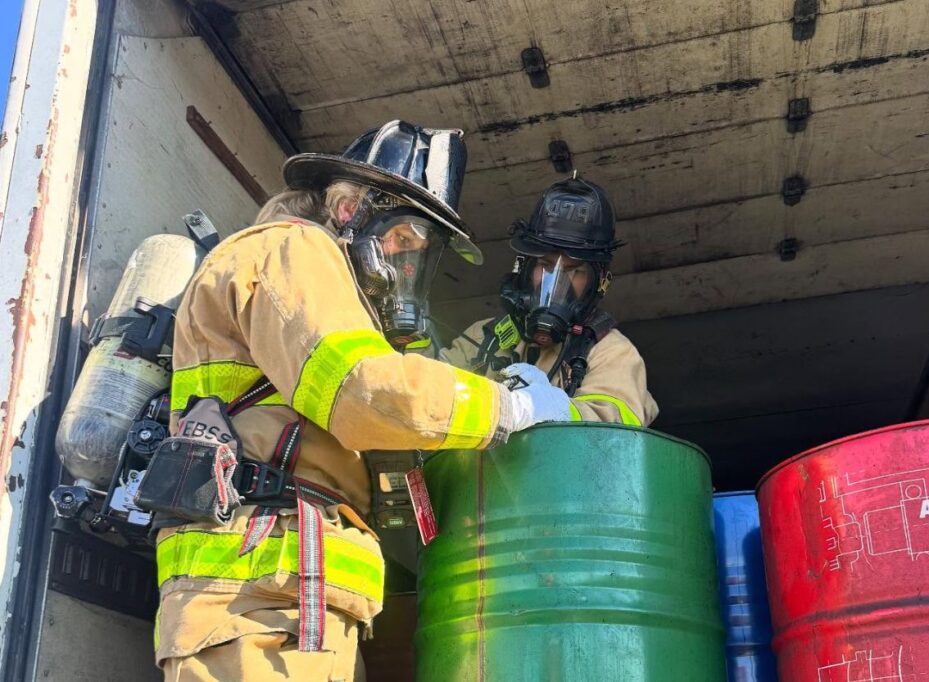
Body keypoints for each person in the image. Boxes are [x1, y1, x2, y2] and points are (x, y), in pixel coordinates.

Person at [154, 121, 570, 681]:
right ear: (351, 210)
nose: (407, 264)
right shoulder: (294, 248)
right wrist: (509, 407)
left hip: (288, 596)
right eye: (404, 239)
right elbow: (364, 391)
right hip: (256, 599)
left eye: (422, 252)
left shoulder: (321, 281)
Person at [442, 174, 658, 427]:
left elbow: (616, 429)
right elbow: (427, 399)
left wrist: (553, 410)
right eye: (545, 265)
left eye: (574, 271)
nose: (557, 282)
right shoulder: (483, 338)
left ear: (598, 282)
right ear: (524, 268)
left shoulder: (611, 352)